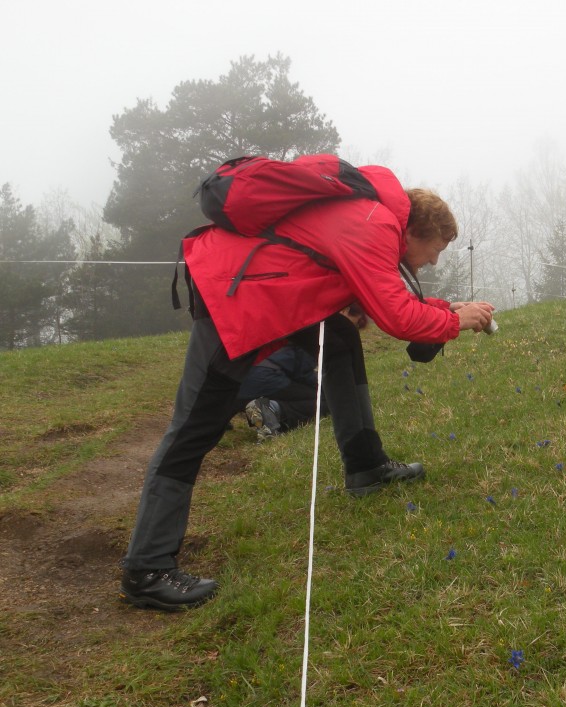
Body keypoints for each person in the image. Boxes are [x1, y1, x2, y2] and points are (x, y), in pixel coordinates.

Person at [119, 162, 495, 611]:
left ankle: (366, 466)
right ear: (414, 231)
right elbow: (396, 316)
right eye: (435, 251)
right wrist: (454, 321)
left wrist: (446, 309)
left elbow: (382, 298)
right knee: (193, 430)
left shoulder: (371, 218)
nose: (433, 261)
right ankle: (148, 568)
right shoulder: (374, 225)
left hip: (268, 289)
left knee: (338, 340)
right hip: (234, 298)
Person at [239, 304, 368, 441]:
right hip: (268, 377)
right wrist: (323, 387)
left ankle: (264, 407)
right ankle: (271, 409)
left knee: (305, 393)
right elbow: (302, 371)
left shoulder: (302, 318)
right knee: (326, 401)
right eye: (357, 323)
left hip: (244, 380)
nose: (354, 329)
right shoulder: (321, 330)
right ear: (344, 311)